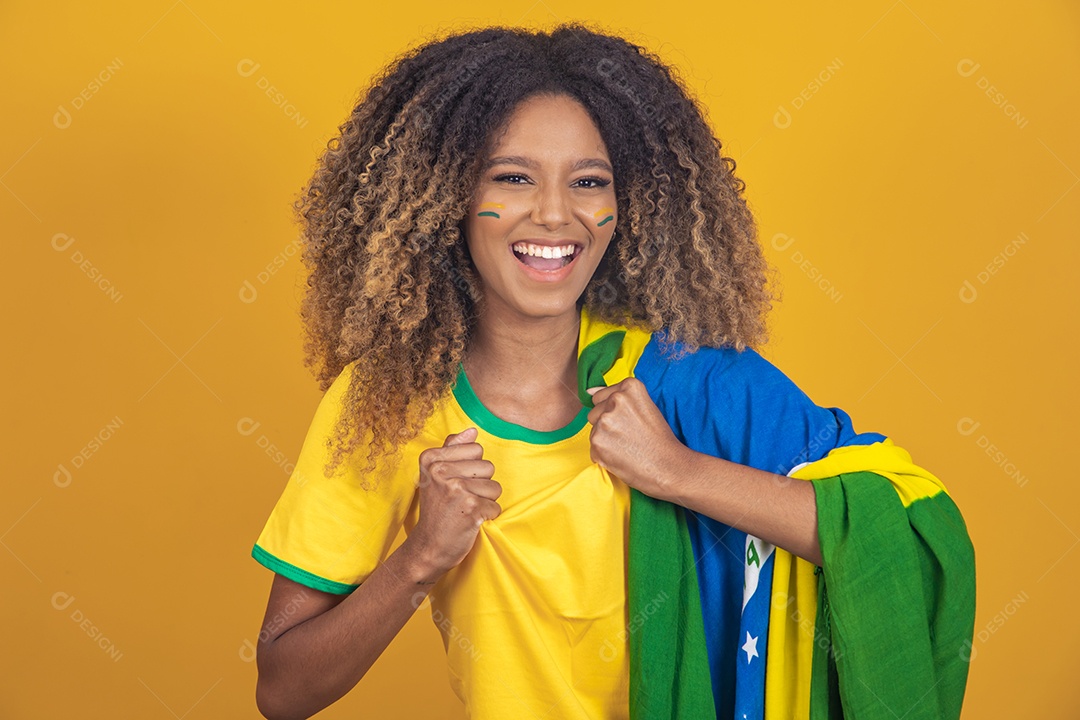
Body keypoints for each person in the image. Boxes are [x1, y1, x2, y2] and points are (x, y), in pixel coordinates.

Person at [250, 22, 976, 720]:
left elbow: (905, 531)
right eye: (513, 177)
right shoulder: (387, 404)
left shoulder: (686, 377)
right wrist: (419, 560)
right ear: (447, 199)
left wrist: (677, 471)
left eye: (589, 182)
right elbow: (283, 689)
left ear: (627, 204)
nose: (554, 214)